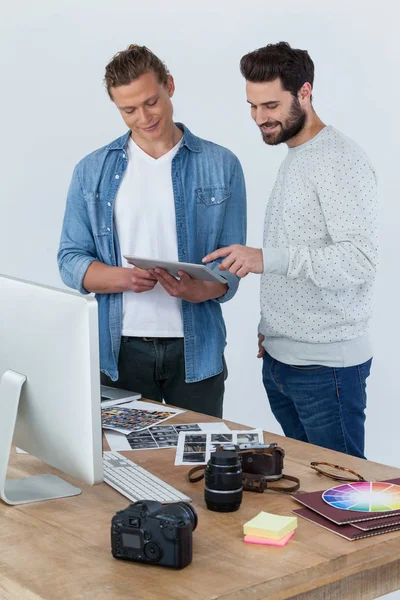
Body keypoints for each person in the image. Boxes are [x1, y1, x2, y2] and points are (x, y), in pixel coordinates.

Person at [204, 42, 378, 456]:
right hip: (285, 360)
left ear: (305, 92)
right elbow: (305, 246)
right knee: (306, 494)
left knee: (342, 500)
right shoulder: (298, 155)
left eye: (270, 105)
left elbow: (359, 261)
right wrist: (275, 326)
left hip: (327, 369)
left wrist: (266, 259)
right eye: (252, 106)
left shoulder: (337, 159)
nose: (260, 118)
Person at [58, 44, 246, 418]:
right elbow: (70, 260)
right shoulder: (91, 170)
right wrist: (125, 279)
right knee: (122, 468)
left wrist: (202, 289)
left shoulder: (221, 164)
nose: (144, 117)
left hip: (196, 353)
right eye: (129, 110)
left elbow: (232, 263)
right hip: (120, 353)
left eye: (151, 102)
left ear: (170, 86)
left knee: (196, 468)